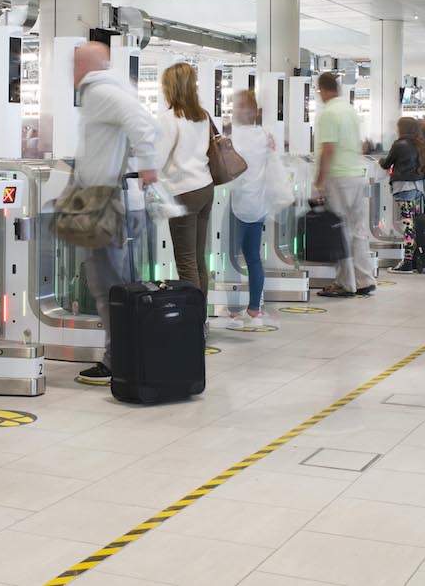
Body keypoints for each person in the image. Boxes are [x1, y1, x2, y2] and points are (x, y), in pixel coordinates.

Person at [70, 42, 157, 383]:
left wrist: (149, 165)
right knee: (115, 281)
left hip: (106, 201)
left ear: (85, 67)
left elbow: (142, 125)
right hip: (112, 197)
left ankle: (116, 358)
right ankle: (126, 351)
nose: (72, 73)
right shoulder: (109, 90)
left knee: (107, 284)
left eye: (75, 65)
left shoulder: (101, 91)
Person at [155, 62, 215, 299]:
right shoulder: (202, 116)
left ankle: (192, 321)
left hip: (183, 192)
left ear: (171, 87)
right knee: (199, 257)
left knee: (185, 260)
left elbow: (157, 160)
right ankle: (201, 320)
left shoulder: (169, 118)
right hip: (205, 187)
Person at [314, 71, 374, 297]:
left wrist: (319, 180)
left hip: (338, 177)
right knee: (358, 230)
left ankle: (345, 283)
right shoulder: (350, 110)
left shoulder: (329, 113)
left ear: (321, 91)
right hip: (357, 174)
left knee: (339, 230)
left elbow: (328, 149)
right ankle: (364, 280)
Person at [223, 89, 274, 325]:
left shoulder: (234, 136)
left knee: (231, 257)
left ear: (253, 111)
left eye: (242, 106)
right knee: (252, 257)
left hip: (238, 203)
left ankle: (235, 309)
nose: (239, 110)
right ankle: (255, 310)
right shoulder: (264, 135)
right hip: (259, 205)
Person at [379, 117, 425, 273]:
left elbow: (387, 163)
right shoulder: (421, 144)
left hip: (403, 187)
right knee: (412, 223)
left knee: (407, 224)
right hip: (418, 188)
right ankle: (415, 258)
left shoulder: (399, 145)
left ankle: (407, 261)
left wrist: (380, 161)